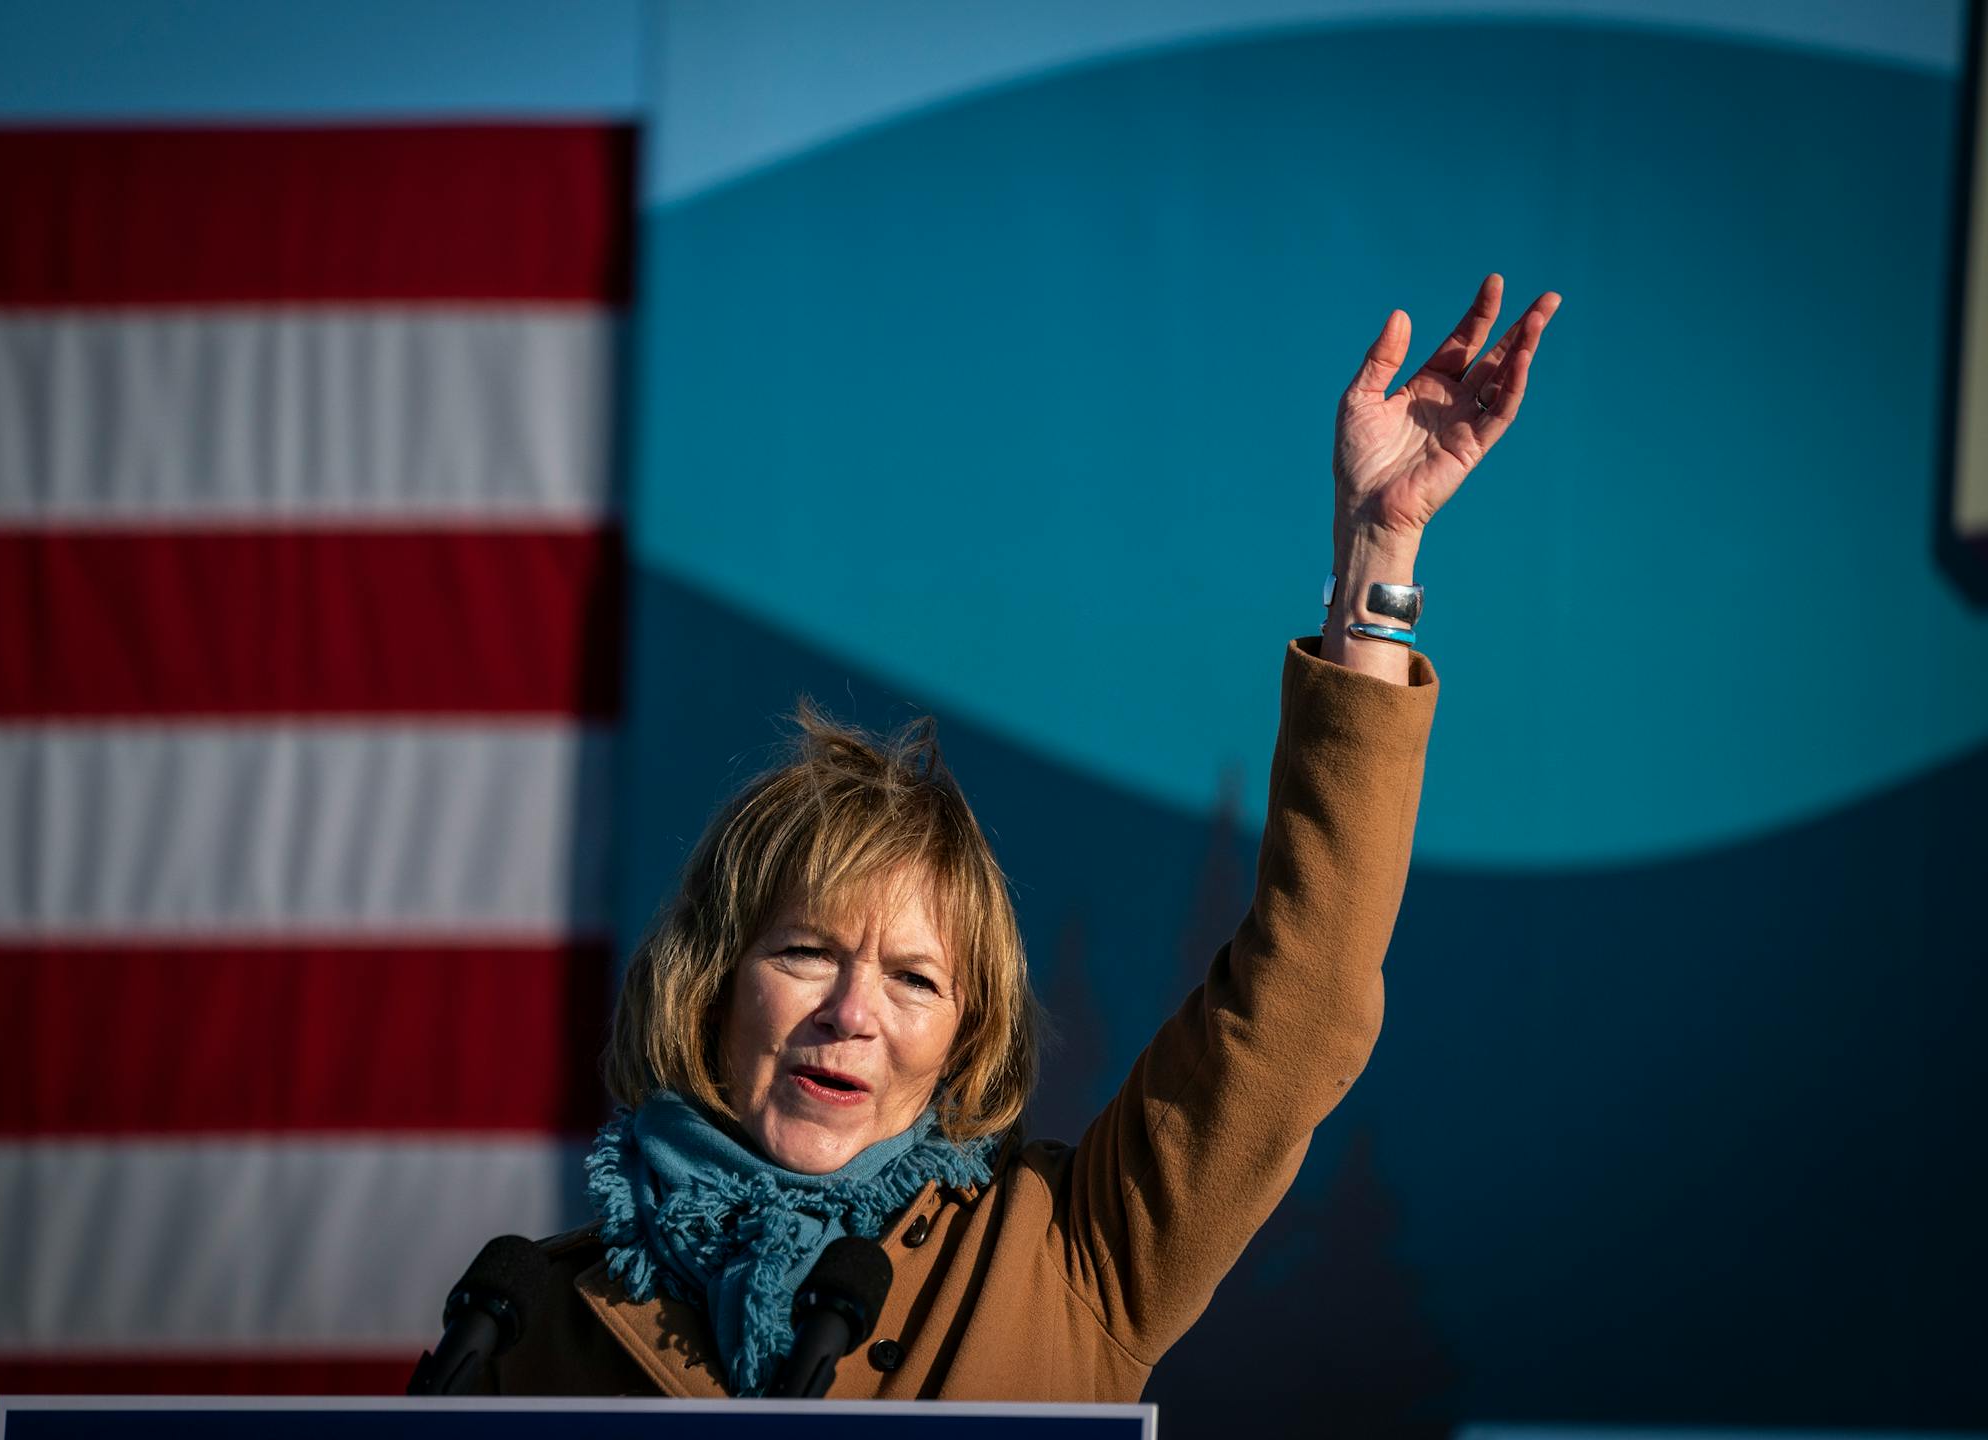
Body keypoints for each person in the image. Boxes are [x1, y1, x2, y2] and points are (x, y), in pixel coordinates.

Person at [467, 275, 1560, 1400]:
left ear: (965, 1036)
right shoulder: (528, 1320)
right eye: (805, 954)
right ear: (713, 981)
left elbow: (1305, 1001)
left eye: (915, 979)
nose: (851, 1015)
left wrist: (1378, 558)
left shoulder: (1068, 1260)